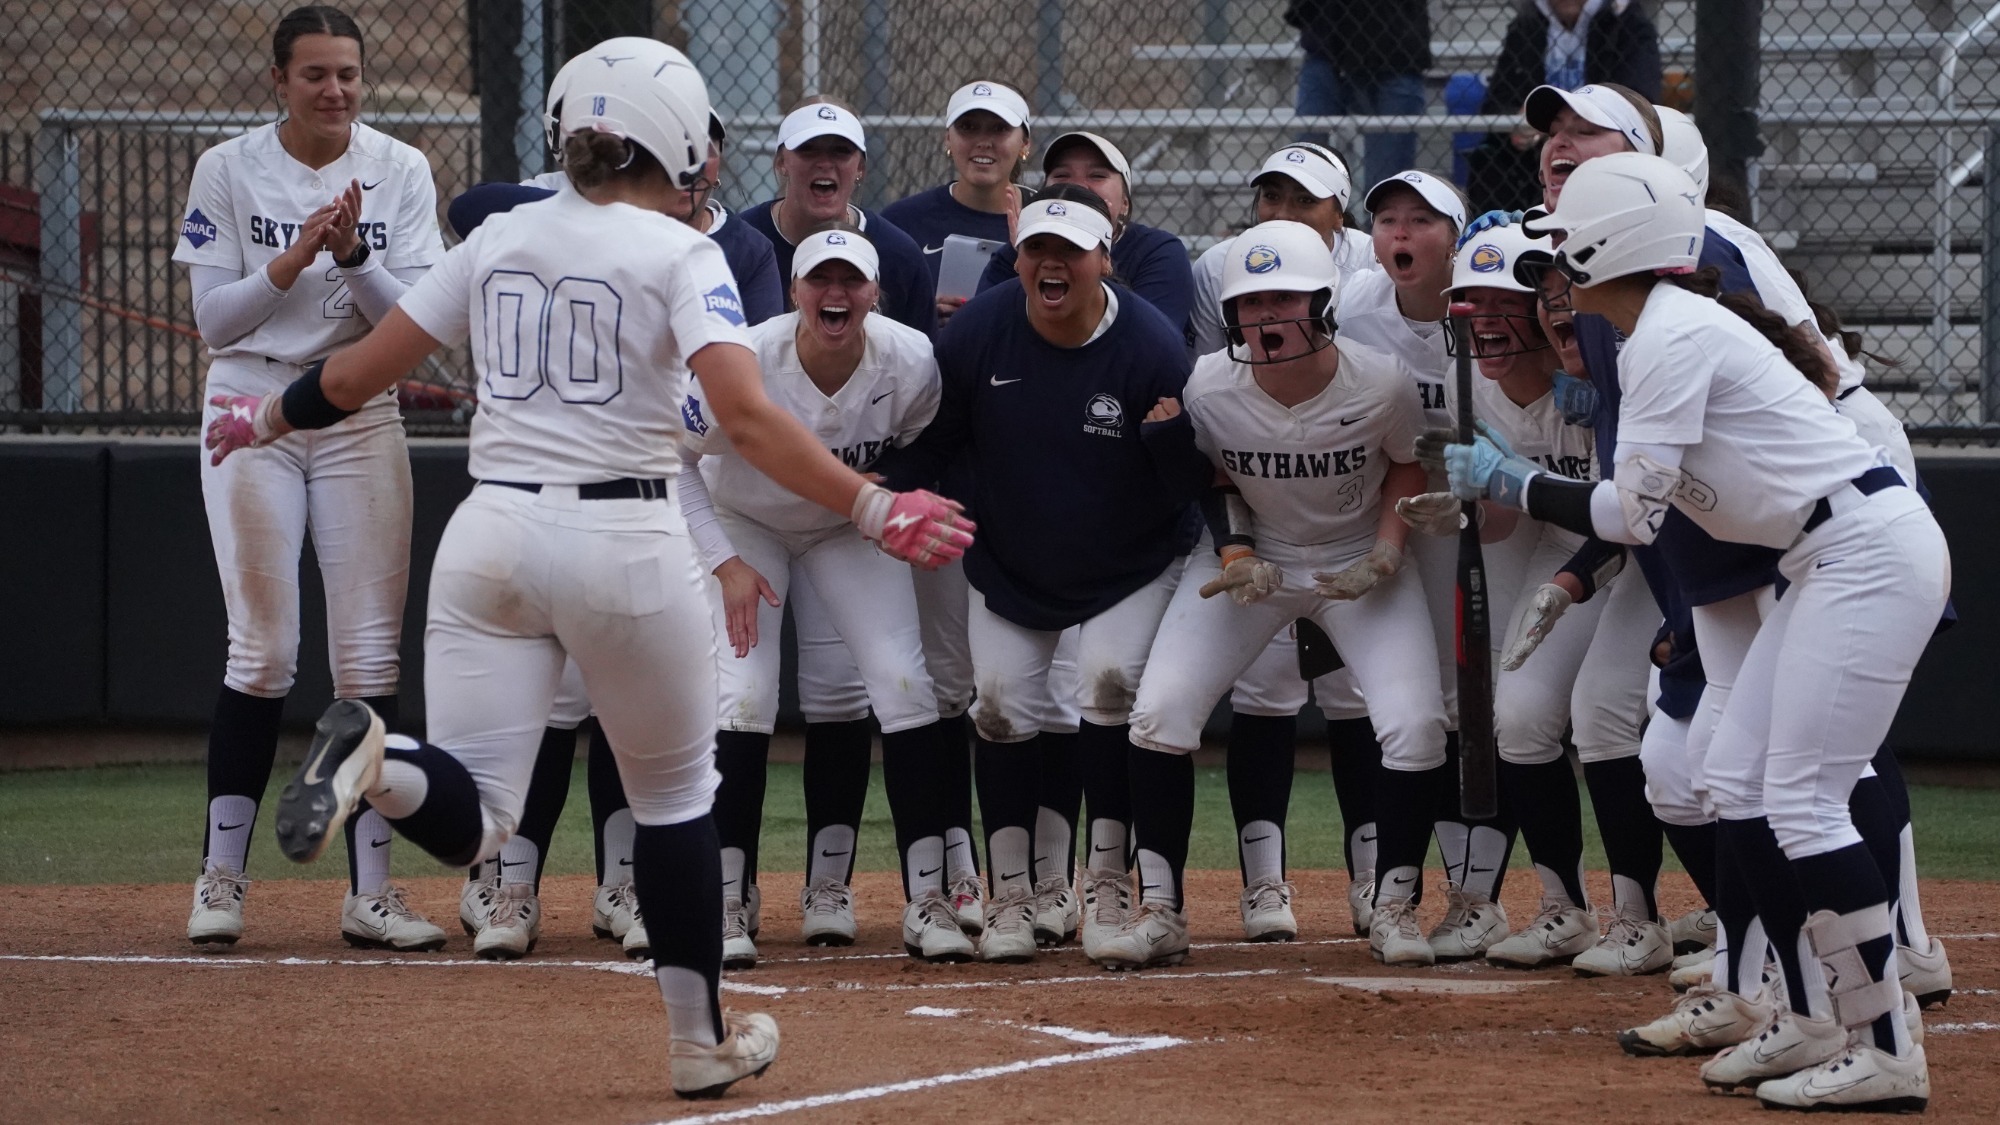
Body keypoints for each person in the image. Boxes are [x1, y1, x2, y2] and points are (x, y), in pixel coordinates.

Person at [207, 41, 971, 1098]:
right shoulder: (681, 253)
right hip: (625, 539)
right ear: (685, 141)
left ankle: (375, 763)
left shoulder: (502, 235)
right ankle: (697, 1043)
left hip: (490, 539)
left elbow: (359, 370)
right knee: (672, 800)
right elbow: (746, 416)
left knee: (477, 817)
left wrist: (260, 417)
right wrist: (876, 503)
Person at [1447, 150, 1945, 1113]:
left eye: (1565, 251)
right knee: (1734, 780)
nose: (1559, 272)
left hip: (1862, 550)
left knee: (1799, 797)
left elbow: (1636, 514)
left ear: (1606, 244)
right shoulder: (1659, 332)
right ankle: (1805, 1013)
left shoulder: (1668, 335)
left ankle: (1886, 1040)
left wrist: (1512, 481)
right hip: (1821, 556)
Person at [173, 4, 446, 954]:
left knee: (370, 661)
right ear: (279, 81)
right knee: (263, 652)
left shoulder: (401, 167)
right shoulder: (230, 165)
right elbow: (215, 320)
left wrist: (354, 255)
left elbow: (417, 318)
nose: (335, 90)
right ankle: (222, 877)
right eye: (315, 75)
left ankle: (372, 892)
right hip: (251, 404)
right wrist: (292, 260)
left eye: (347, 75)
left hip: (359, 405)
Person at [876, 192, 1212, 964]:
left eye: (1071, 250)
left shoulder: (1152, 345)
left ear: (1104, 261)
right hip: (1014, 558)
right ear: (1018, 256)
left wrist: (1167, 442)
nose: (1051, 263)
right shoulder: (983, 330)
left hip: (1130, 560)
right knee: (996, 707)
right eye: (1036, 249)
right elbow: (940, 438)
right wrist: (882, 490)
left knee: (1107, 683)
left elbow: (1191, 477)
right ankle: (1013, 898)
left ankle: (1105, 884)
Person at [1113, 220, 1441, 970]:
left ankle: (1392, 905)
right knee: (1159, 714)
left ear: (1324, 302)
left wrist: (1388, 553)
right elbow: (1216, 474)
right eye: (1250, 304)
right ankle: (1161, 909)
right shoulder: (1210, 384)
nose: (1266, 319)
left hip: (1358, 561)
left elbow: (1407, 465)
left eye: (1283, 300)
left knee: (1416, 725)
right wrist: (1235, 549)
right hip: (1255, 562)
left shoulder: (1379, 379)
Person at [677, 226, 974, 966]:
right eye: (820, 280)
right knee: (743, 695)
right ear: (794, 289)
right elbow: (672, 459)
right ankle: (726, 899)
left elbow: (922, 445)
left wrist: (892, 497)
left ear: (877, 293)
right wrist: (722, 562)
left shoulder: (909, 360)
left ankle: (928, 900)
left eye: (851, 282)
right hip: (746, 522)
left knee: (906, 682)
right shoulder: (745, 358)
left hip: (849, 527)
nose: (835, 295)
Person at [1402, 224, 1659, 973]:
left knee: (1609, 717)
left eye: (1499, 301)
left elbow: (1629, 513)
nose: (1481, 319)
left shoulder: (1598, 377)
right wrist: (1462, 507)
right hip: (1553, 549)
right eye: (1467, 301)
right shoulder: (1467, 386)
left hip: (1635, 555)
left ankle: (1641, 913)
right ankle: (1563, 907)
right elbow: (1506, 517)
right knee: (1517, 717)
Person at [1337, 170, 1520, 962]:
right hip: (1399, 515)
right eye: (1386, 220)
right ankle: (1429, 891)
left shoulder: (1491, 305)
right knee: (1424, 707)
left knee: (1492, 702)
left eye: (1421, 220)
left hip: (1498, 521)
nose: (1400, 234)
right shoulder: (1353, 307)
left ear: (1459, 235)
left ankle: (1483, 895)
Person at [977, 131, 1196, 342]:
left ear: (1124, 204)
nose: (1077, 186)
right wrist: (1025, 257)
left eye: (1097, 176)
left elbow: (1154, 344)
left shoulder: (1157, 251)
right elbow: (983, 335)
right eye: (1062, 175)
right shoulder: (1016, 251)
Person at [740, 100, 936, 334]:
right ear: (782, 162)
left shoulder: (898, 254)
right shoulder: (742, 244)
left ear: (860, 168)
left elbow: (921, 356)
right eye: (808, 149)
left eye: (841, 151)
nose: (824, 163)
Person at [1470, 0, 1664, 213]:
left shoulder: (1628, 22)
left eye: (1583, 131)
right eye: (1554, 133)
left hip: (1604, 129)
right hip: (1531, 150)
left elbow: (1639, 98)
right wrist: (1516, 121)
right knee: (1489, 158)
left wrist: (1588, 127)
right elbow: (1497, 101)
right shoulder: (1526, 24)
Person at [1188, 142, 1374, 358]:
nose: (1283, 214)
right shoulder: (1216, 266)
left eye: (1305, 200)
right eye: (1272, 197)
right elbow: (1203, 369)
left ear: (1338, 216)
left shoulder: (1372, 261)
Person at [881, 79, 1035, 325]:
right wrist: (923, 314)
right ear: (948, 139)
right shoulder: (901, 222)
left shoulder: (1046, 219)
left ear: (1025, 143)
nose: (983, 141)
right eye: (968, 127)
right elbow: (877, 318)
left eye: (999, 128)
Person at [1284, 0, 1431, 202]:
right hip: (1326, 43)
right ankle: (1300, 229)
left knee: (1386, 187)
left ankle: (1380, 230)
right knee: (1304, 172)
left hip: (1396, 51)